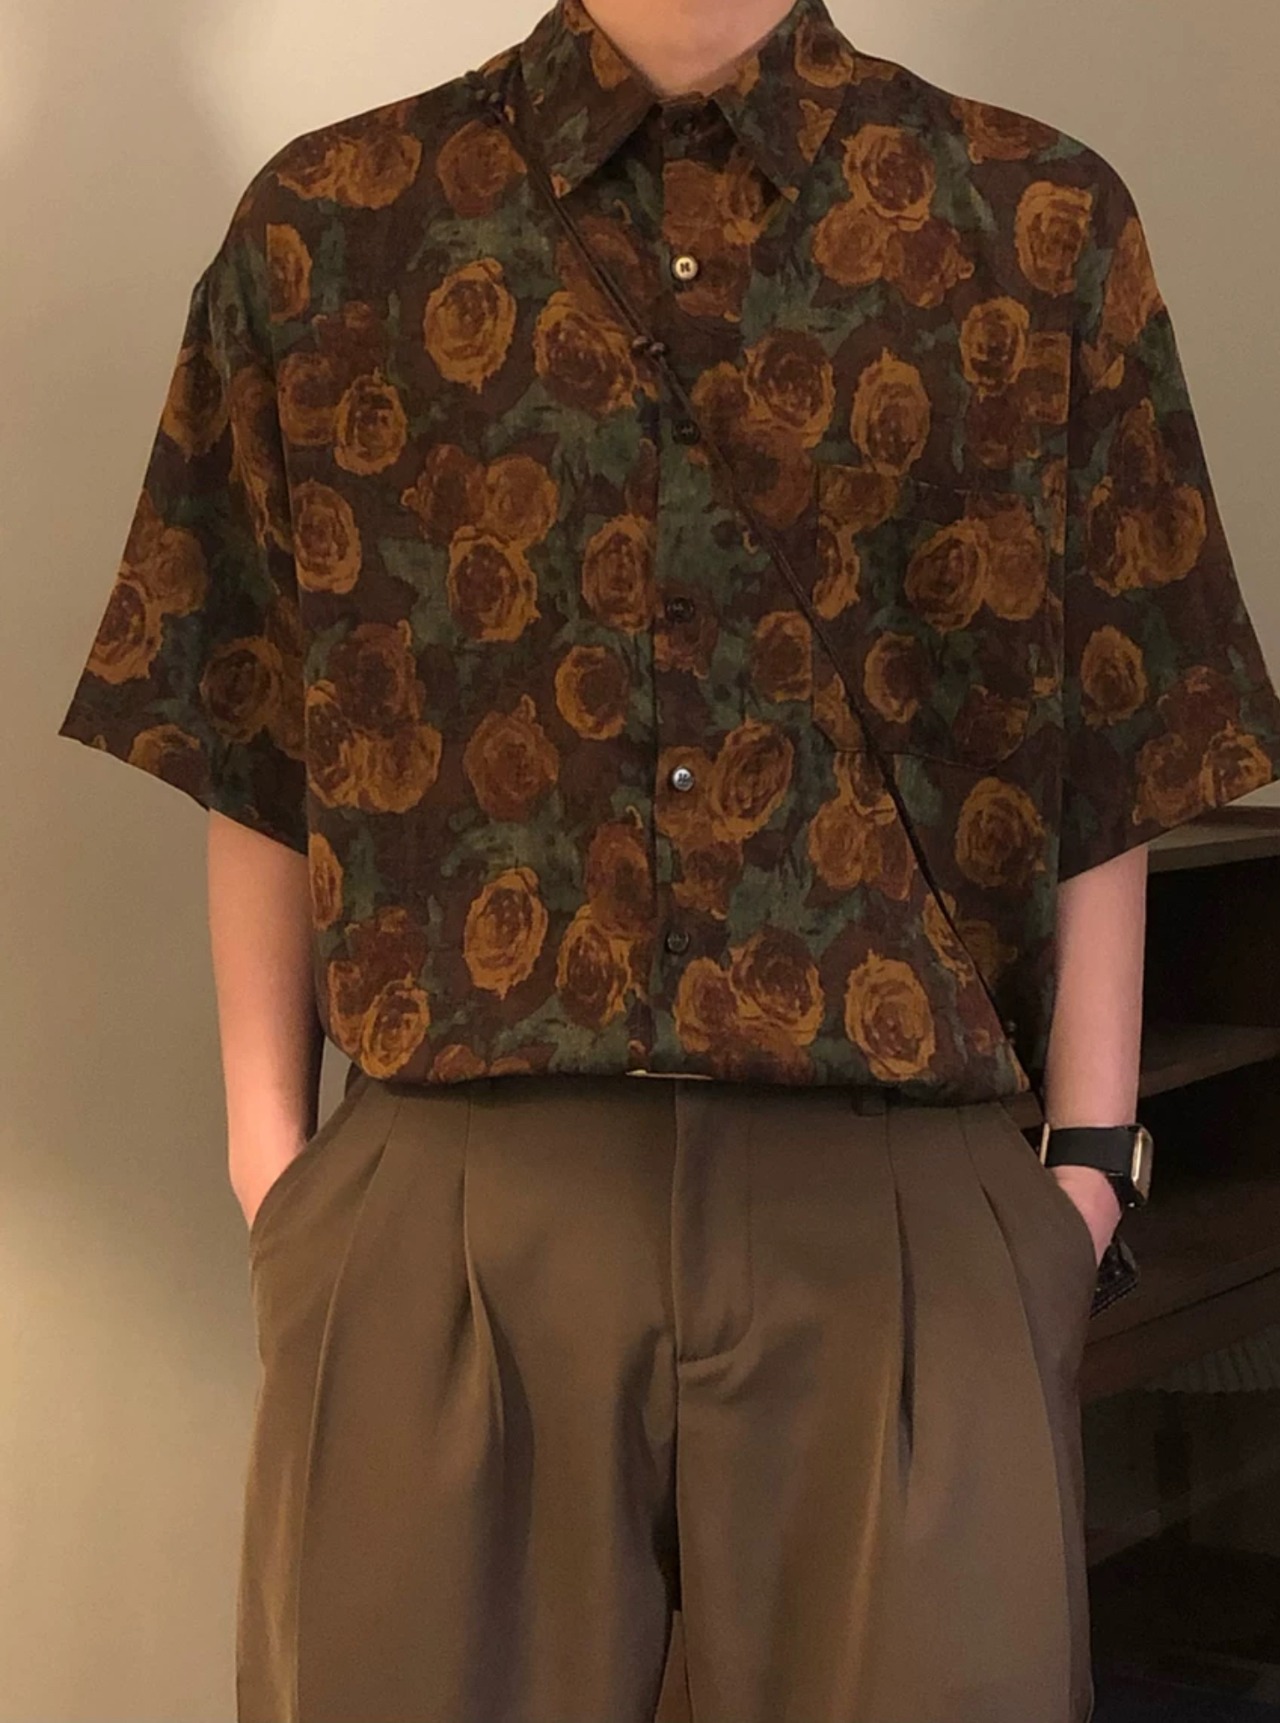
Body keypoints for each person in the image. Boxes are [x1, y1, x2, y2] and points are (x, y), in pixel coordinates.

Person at [55, 0, 1280, 1717]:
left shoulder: (1035, 223)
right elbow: (250, 714)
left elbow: (1123, 723)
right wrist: (281, 1178)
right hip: (449, 1212)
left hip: (905, 1212)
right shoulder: (331, 229)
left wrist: (1084, 1175)